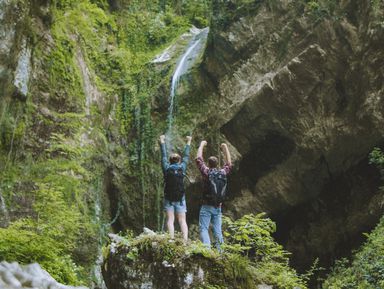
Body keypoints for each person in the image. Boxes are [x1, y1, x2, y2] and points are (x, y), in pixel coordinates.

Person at [195, 140, 232, 250]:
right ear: (217, 164)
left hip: (206, 205)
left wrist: (201, 144)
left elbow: (198, 159)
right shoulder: (223, 173)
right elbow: (229, 163)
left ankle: (207, 250)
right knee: (218, 230)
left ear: (209, 163)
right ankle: (220, 252)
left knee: (203, 228)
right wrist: (225, 148)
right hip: (218, 206)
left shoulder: (206, 172)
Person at [160, 134, 192, 242]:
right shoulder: (181, 168)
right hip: (180, 198)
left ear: (169, 161)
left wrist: (162, 141)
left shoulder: (166, 168)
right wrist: (188, 142)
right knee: (182, 220)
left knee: (170, 219)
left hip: (169, 198)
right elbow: (186, 156)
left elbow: (163, 156)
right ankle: (185, 241)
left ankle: (171, 239)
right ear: (179, 161)